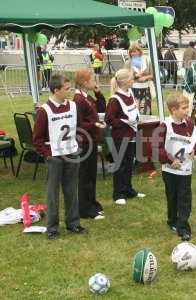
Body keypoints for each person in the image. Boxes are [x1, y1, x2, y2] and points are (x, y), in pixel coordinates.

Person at [32, 74, 85, 240]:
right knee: (52, 193)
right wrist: (48, 155)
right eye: (67, 89)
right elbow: (37, 139)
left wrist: (78, 145)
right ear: (56, 90)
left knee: (71, 190)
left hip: (71, 154)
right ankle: (52, 228)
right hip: (54, 157)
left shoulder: (74, 106)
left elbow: (80, 127)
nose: (70, 91)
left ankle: (73, 223)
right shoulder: (44, 111)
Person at [156, 94, 196, 241]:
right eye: (183, 108)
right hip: (169, 170)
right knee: (172, 195)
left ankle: (183, 227)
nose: (187, 110)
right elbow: (158, 148)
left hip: (185, 170)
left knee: (184, 197)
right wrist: (170, 160)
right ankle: (172, 220)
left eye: (187, 107)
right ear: (173, 110)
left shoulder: (190, 124)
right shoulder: (165, 126)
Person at [105, 69, 146, 205]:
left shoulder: (129, 93)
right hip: (120, 137)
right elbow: (109, 119)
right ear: (124, 81)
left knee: (129, 164)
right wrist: (124, 122)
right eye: (131, 79)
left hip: (132, 134)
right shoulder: (114, 99)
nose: (133, 80)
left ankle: (128, 189)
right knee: (120, 165)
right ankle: (118, 193)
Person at [73, 69, 106, 220]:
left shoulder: (87, 97)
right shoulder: (79, 99)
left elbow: (101, 107)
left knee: (91, 174)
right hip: (84, 141)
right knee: (85, 175)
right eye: (93, 79)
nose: (95, 82)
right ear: (85, 82)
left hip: (92, 139)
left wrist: (98, 93)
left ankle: (92, 202)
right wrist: (95, 125)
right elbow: (79, 123)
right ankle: (84, 208)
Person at [124, 43, 153, 115]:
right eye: (131, 52)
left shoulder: (146, 61)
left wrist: (145, 77)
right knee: (134, 111)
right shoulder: (128, 63)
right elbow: (124, 77)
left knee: (146, 110)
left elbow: (153, 75)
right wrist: (136, 76)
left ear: (139, 51)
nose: (133, 53)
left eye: (134, 51)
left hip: (146, 88)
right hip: (133, 89)